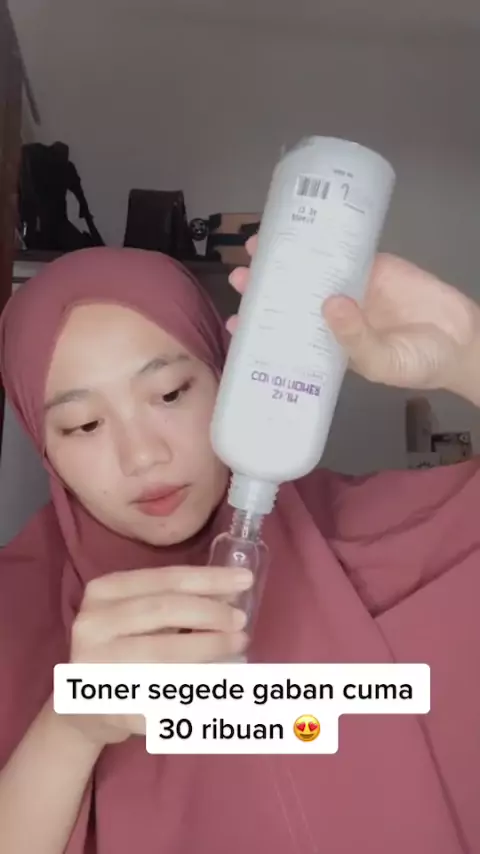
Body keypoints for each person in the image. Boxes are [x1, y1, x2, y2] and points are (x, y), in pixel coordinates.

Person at [0, 243, 479, 854]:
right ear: (45, 447)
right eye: (85, 426)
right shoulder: (14, 615)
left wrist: (469, 350)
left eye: (171, 393)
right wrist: (69, 728)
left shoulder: (383, 536)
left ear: (227, 378)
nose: (143, 455)